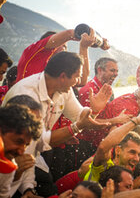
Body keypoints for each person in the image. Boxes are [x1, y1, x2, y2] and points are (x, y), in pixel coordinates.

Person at [2, 51, 112, 197]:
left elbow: (79, 116)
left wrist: (94, 111)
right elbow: (31, 146)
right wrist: (75, 128)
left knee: (47, 188)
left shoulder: (63, 89)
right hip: (8, 158)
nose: (79, 81)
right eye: (77, 76)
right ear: (63, 76)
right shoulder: (26, 95)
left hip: (32, 159)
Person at [15, 23, 109, 86]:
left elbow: (82, 81)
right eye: (61, 45)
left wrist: (85, 47)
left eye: (66, 47)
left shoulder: (60, 72)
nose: (64, 49)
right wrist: (94, 37)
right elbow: (70, 34)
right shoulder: (32, 54)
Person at [0, 105, 42, 198]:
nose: (21, 152)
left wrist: (17, 175)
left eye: (26, 145)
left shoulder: (9, 166)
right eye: (18, 141)